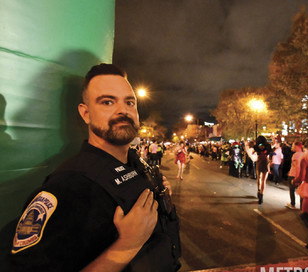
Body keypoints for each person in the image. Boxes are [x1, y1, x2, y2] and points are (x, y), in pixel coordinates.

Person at [6, 64, 181, 271]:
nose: (122, 111)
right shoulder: (68, 187)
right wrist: (127, 246)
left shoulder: (137, 163)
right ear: (86, 113)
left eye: (129, 102)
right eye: (107, 102)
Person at [245, 136, 272, 204]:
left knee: (259, 178)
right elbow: (269, 153)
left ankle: (258, 190)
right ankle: (261, 195)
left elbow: (252, 153)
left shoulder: (256, 146)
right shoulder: (268, 146)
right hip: (265, 161)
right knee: (263, 180)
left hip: (259, 161)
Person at [285, 142, 303, 210]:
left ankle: (293, 204)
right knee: (301, 191)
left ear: (297, 146)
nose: (292, 147)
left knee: (292, 190)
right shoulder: (303, 154)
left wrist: (296, 177)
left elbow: (297, 166)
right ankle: (302, 207)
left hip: (294, 175)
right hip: (300, 175)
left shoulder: (296, 155)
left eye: (293, 146)